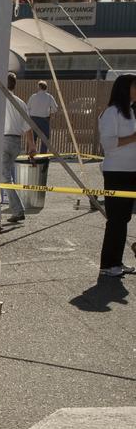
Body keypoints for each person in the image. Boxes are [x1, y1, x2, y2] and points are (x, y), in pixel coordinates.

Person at [96, 73, 136, 277]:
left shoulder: (129, 111)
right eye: (134, 87)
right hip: (116, 172)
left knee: (124, 218)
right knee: (116, 219)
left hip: (131, 171)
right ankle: (108, 264)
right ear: (124, 89)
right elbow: (109, 144)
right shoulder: (111, 112)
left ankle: (117, 262)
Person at [2, 71, 35, 225]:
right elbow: (28, 128)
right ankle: (16, 209)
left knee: (4, 177)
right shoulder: (20, 102)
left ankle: (17, 210)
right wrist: (32, 147)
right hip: (16, 142)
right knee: (6, 176)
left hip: (4, 140)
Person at [27, 79, 58, 154]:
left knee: (32, 139)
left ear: (39, 87)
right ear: (46, 87)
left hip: (33, 119)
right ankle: (42, 156)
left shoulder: (33, 96)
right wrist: (50, 113)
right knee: (45, 139)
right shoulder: (49, 97)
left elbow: (27, 107)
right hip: (44, 120)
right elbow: (55, 108)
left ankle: (31, 155)